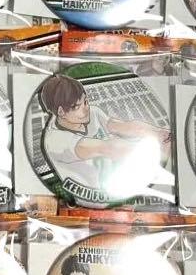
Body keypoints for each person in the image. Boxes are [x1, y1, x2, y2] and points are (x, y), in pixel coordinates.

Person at [40, 72, 168, 197]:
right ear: (61, 112)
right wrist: (158, 151)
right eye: (77, 107)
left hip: (113, 183)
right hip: (89, 198)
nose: (86, 108)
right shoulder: (55, 141)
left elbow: (123, 126)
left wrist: (159, 133)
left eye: (86, 101)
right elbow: (109, 148)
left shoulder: (92, 113)